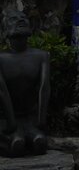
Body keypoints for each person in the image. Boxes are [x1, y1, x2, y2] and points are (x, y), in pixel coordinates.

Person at [0, 9, 49, 156]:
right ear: (5, 31)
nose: (20, 20)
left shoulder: (41, 56)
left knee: (40, 142)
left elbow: (44, 88)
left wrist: (41, 119)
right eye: (13, 19)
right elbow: (2, 91)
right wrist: (11, 122)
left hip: (29, 118)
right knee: (17, 143)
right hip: (4, 118)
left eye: (23, 17)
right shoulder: (1, 59)